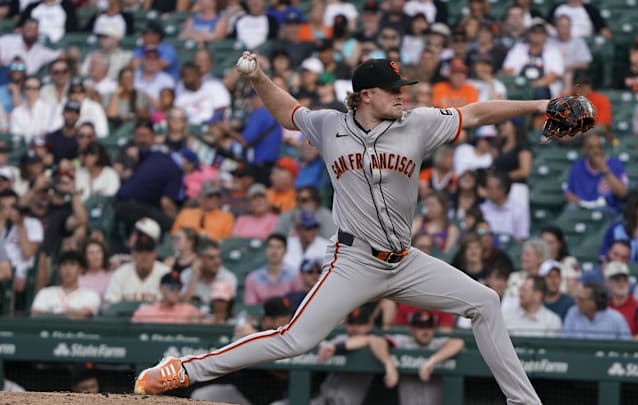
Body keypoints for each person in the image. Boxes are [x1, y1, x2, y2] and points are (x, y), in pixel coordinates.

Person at [135, 55, 551, 405]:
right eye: (394, 89)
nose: (402, 95)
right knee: (294, 339)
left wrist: (540, 106)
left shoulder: (419, 123)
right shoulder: (330, 125)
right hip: (352, 260)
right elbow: (288, 113)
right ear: (367, 95)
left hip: (405, 261)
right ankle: (183, 369)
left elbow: (476, 112)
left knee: (486, 302)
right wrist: (260, 78)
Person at [383, 310, 466, 405]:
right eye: (421, 327)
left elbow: (458, 343)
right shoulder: (404, 341)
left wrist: (431, 362)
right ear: (412, 329)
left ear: (434, 329)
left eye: (429, 327)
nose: (425, 331)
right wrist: (389, 365)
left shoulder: (437, 343)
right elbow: (377, 341)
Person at [104, 219, 171, 306]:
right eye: (140, 251)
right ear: (133, 254)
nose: (144, 256)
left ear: (155, 253)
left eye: (148, 251)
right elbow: (110, 305)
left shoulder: (166, 273)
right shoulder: (120, 274)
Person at [564, 133, 628, 213]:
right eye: (591, 147)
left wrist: (604, 169)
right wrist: (574, 199)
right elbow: (569, 192)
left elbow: (623, 193)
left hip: (607, 209)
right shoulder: (577, 166)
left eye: (599, 147)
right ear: (584, 149)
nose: (596, 151)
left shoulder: (615, 164)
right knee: (570, 208)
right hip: (582, 207)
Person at [31, 251, 101, 319]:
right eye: (64, 265)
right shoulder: (45, 293)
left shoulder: (91, 295)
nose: (68, 269)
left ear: (80, 270)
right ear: (59, 269)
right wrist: (72, 314)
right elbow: (36, 313)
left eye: (72, 264)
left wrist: (54, 314)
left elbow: (87, 313)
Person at [243, 233, 301, 305]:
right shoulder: (252, 278)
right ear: (265, 250)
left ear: (286, 251)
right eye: (271, 246)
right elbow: (251, 307)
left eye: (279, 247)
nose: (274, 251)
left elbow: (298, 302)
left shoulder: (295, 275)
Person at [180, 239, 237, 311]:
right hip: (192, 319)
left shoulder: (228, 278)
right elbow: (183, 305)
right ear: (199, 259)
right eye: (211, 258)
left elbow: (225, 311)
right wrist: (195, 277)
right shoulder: (187, 274)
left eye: (219, 257)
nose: (217, 261)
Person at [562, 282, 631, 340]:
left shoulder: (616, 319)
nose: (576, 302)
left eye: (581, 300)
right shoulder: (573, 312)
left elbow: (626, 346)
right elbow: (565, 342)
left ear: (594, 302)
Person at [132, 271, 205, 324]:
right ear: (161, 288)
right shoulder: (145, 312)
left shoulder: (189, 310)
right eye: (172, 287)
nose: (176, 290)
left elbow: (209, 322)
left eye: (179, 287)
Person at [604, 261, 638, 340]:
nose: (622, 284)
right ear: (607, 283)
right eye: (617, 280)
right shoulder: (603, 305)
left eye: (625, 280)